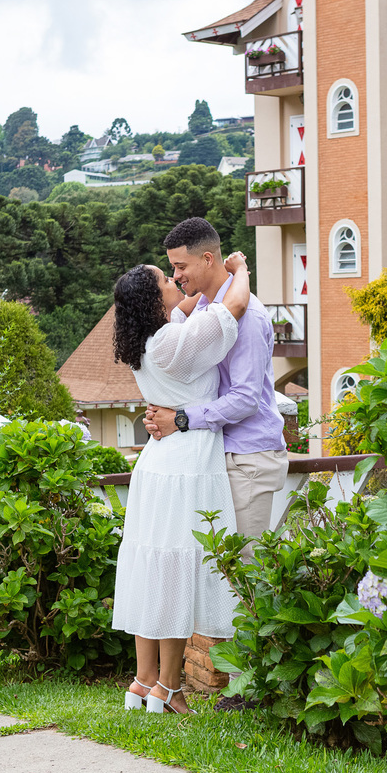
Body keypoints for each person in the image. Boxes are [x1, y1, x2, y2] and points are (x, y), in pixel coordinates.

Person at [110, 251, 253, 715]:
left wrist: (192, 293)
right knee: (174, 573)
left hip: (156, 464)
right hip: (187, 461)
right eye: (166, 281)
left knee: (153, 569)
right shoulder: (174, 341)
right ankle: (169, 689)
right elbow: (233, 307)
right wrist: (239, 269)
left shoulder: (147, 341)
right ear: (155, 302)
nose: (176, 283)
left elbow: (188, 307)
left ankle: (143, 681)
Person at [144, 218, 288, 562]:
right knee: (218, 569)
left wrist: (179, 419)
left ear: (208, 259)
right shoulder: (205, 309)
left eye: (181, 267)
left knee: (244, 567)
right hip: (219, 455)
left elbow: (246, 399)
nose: (176, 275)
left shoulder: (248, 317)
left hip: (247, 458)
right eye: (172, 269)